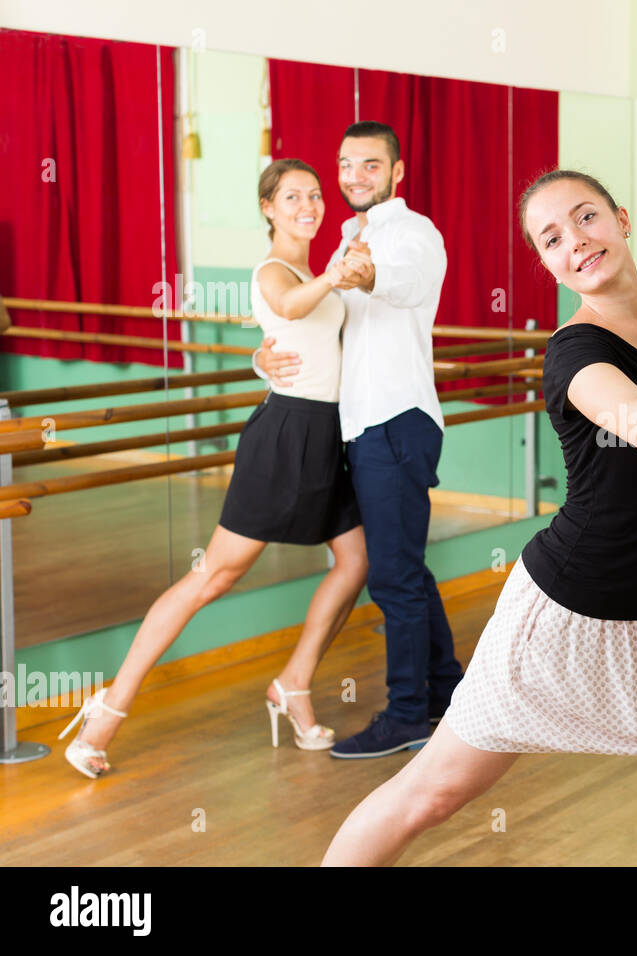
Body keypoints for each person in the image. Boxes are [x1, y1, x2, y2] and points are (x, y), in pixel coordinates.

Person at [321, 170, 637, 866]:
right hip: (565, 610)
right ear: (549, 265)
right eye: (552, 239)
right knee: (431, 794)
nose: (576, 242)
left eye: (586, 219)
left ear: (621, 217)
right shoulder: (575, 350)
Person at [58, 159, 371, 778]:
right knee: (213, 577)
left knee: (357, 560)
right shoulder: (275, 271)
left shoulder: (316, 268)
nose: (307, 205)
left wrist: (317, 298)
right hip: (283, 439)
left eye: (314, 195)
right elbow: (285, 303)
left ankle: (293, 683)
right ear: (268, 208)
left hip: (323, 435)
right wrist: (335, 278)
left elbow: (308, 337)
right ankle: (108, 711)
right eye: (291, 197)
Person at [256, 122, 465, 759]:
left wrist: (367, 274)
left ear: (397, 172)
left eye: (370, 165)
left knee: (394, 580)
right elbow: (314, 325)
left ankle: (406, 715)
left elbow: (406, 282)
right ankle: (447, 695)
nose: (354, 177)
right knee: (407, 570)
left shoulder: (411, 233)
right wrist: (263, 360)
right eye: (346, 165)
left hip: (396, 420)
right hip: (362, 426)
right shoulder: (347, 236)